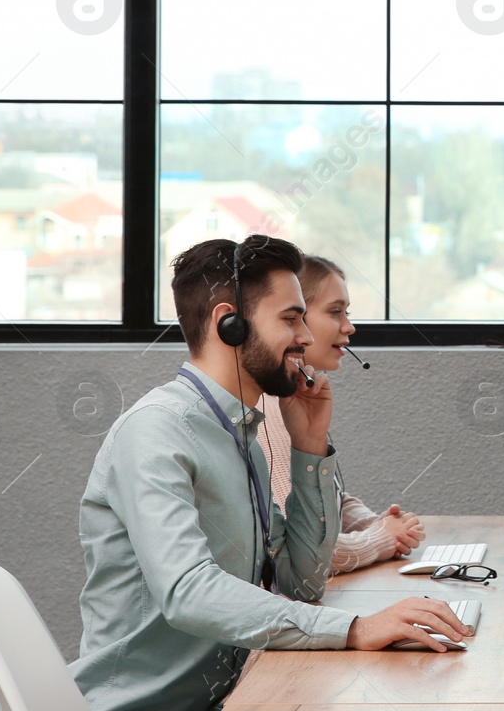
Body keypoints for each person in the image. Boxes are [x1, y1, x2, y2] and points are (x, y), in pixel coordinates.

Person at [71, 236, 465, 711]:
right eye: (290, 318)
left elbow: (301, 582)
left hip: (233, 693)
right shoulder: (157, 432)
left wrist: (310, 447)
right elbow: (188, 592)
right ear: (228, 324)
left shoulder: (241, 437)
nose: (306, 336)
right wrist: (356, 628)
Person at [260, 255, 424, 571]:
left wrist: (371, 522)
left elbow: (318, 501)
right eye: (335, 312)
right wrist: (381, 540)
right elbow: (303, 548)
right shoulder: (268, 410)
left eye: (346, 313)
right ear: (293, 318)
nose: (349, 326)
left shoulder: (297, 395)